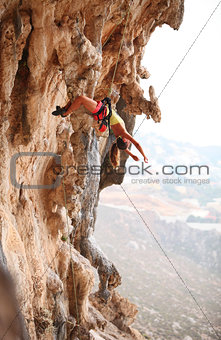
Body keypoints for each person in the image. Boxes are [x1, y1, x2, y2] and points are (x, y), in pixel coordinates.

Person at [52, 95, 148, 168]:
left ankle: (65, 113)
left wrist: (144, 156)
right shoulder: (119, 136)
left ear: (125, 139)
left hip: (101, 111)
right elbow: (123, 147)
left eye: (128, 142)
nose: (129, 141)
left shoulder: (123, 133)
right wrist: (132, 155)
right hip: (103, 110)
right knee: (78, 97)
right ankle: (64, 109)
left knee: (80, 98)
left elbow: (137, 144)